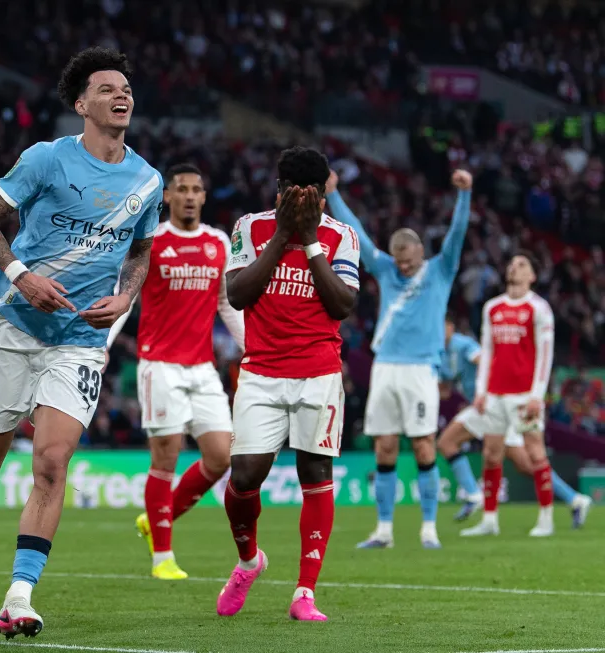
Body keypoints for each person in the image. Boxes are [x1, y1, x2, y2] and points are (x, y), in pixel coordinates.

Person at [0, 47, 163, 639]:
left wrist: (126, 297)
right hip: (17, 329)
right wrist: (22, 274)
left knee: (52, 462)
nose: (120, 96)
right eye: (106, 89)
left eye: (125, 88)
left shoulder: (147, 180)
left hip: (79, 341)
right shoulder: (46, 159)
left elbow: (141, 250)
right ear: (81, 104)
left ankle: (18, 596)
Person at [215, 147, 360, 622]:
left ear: (321, 195)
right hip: (261, 373)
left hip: (319, 373)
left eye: (309, 195)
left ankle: (304, 593)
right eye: (288, 193)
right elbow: (237, 293)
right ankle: (249, 562)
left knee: (316, 475)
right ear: (277, 193)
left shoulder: (342, 237)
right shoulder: (251, 228)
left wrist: (312, 239)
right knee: (243, 477)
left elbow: (342, 305)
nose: (297, 202)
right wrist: (282, 235)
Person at [106, 162, 244, 580]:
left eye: (195, 189)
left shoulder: (218, 242)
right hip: (159, 364)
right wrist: (104, 344)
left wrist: (252, 347)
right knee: (165, 456)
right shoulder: (151, 242)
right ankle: (162, 556)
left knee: (221, 457)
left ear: (203, 197)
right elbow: (123, 298)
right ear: (166, 196)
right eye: (180, 189)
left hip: (202, 368)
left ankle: (155, 520)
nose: (188, 196)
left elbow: (225, 303)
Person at [327, 169, 473, 549]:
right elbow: (356, 232)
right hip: (386, 367)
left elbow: (457, 234)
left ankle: (428, 529)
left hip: (421, 368)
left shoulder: (440, 270)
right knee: (385, 447)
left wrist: (464, 195)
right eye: (399, 262)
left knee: (424, 445)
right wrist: (335, 194)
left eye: (408, 261)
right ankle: (384, 531)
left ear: (421, 252)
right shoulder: (386, 269)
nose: (403, 268)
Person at [437, 313, 591, 527]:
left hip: (494, 404)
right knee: (522, 464)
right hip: (482, 407)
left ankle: (476, 497)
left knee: (519, 462)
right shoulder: (439, 352)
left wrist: (489, 392)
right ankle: (574, 499)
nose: (437, 330)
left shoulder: (463, 345)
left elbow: (486, 362)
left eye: (441, 325)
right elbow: (444, 390)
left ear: (450, 326)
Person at [459, 253, 559, 537]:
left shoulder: (538, 308)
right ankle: (490, 520)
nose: (515, 267)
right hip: (495, 395)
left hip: (525, 395)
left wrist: (537, 395)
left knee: (536, 453)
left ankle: (546, 518)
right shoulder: (493, 307)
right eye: (513, 264)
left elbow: (545, 354)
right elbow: (488, 351)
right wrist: (481, 391)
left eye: (523, 264)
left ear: (533, 276)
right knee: (491, 455)